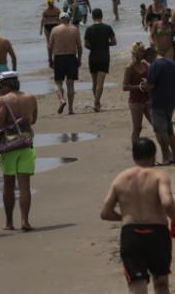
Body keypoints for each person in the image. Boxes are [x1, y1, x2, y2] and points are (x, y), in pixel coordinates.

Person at [101, 137, 175, 294]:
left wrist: (125, 216)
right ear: (153, 156)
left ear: (134, 156)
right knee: (161, 284)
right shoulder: (159, 176)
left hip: (131, 234)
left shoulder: (120, 179)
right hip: (157, 233)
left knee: (137, 285)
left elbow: (105, 212)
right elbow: (167, 203)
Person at [0, 71, 38, 232]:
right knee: (25, 186)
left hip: (9, 147)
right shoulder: (31, 98)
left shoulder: (3, 101)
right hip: (26, 145)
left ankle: (9, 222)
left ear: (5, 85)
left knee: (8, 185)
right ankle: (25, 221)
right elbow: (33, 120)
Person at [141, 50, 175, 165]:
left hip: (158, 101)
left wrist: (145, 84)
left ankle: (166, 158)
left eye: (147, 60)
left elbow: (150, 86)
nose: (148, 63)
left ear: (149, 56)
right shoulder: (171, 62)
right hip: (170, 100)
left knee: (160, 131)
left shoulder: (155, 65)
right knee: (169, 129)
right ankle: (174, 155)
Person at [49, 12, 82, 115]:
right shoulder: (74, 29)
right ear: (69, 19)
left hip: (59, 57)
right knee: (70, 84)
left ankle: (62, 100)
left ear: (60, 20)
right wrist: (79, 59)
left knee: (58, 83)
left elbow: (50, 47)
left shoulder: (55, 30)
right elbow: (79, 47)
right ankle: (71, 109)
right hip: (71, 57)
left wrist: (50, 59)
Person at [84, 8, 116, 112]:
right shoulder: (108, 28)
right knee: (100, 83)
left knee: (94, 82)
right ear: (102, 16)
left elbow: (86, 44)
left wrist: (94, 47)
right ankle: (96, 103)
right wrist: (105, 44)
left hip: (93, 57)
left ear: (92, 17)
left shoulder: (89, 29)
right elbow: (114, 42)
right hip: (104, 57)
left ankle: (97, 102)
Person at [123, 43, 153, 145]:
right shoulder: (129, 67)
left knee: (156, 125)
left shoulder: (146, 65)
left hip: (148, 100)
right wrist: (139, 87)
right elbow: (125, 87)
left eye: (143, 51)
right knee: (137, 128)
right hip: (135, 101)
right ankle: (136, 152)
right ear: (135, 53)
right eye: (140, 51)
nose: (142, 53)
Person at [40, 0, 61, 66]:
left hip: (48, 26)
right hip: (55, 26)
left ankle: (50, 58)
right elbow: (60, 19)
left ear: (48, 2)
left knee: (49, 43)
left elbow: (43, 20)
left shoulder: (45, 11)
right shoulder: (57, 10)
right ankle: (54, 57)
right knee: (55, 43)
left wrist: (40, 29)